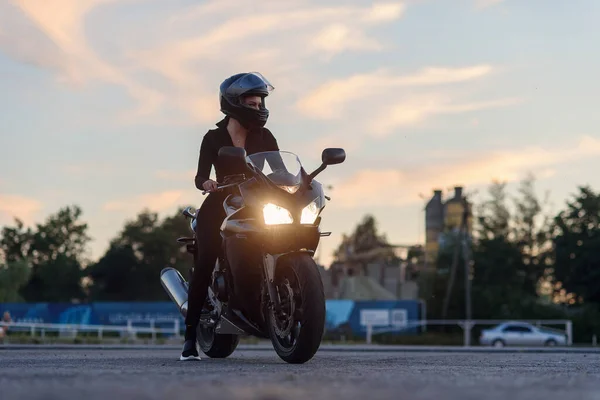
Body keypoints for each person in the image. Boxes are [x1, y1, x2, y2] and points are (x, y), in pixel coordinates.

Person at [180, 72, 280, 361]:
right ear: (234, 104)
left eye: (261, 102)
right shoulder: (213, 138)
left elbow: (276, 167)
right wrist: (206, 184)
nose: (259, 108)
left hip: (256, 199)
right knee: (207, 256)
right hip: (222, 198)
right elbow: (200, 175)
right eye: (252, 103)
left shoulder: (264, 135)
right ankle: (189, 339)